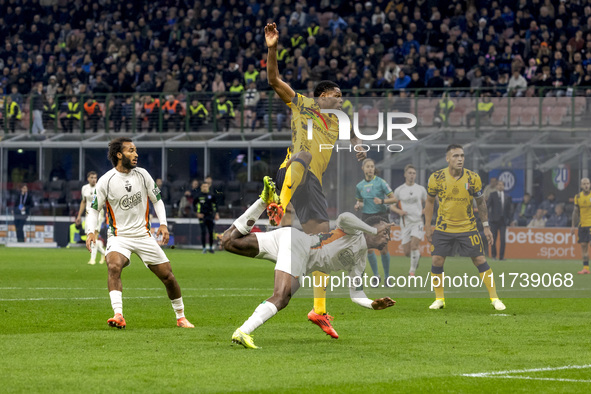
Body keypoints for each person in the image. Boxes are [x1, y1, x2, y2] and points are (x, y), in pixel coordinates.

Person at [264, 22, 365, 339]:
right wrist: (272, 48)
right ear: (322, 96)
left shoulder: (339, 122)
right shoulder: (302, 103)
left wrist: (359, 145)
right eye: (337, 96)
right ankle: (278, 205)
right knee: (304, 158)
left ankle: (319, 311)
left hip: (313, 187)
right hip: (292, 171)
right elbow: (273, 80)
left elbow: (352, 134)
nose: (341, 100)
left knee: (322, 244)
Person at [223, 177, 395, 349]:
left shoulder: (360, 262)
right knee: (281, 297)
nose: (387, 236)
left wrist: (372, 304)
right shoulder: (354, 232)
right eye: (385, 231)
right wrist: (372, 229)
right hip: (299, 247)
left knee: (229, 242)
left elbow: (357, 294)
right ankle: (243, 331)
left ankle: (263, 201)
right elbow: (344, 217)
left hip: (292, 243)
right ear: (372, 229)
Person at [85, 137, 194, 329]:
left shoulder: (143, 175)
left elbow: (157, 200)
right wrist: (91, 232)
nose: (136, 154)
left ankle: (181, 317)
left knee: (168, 276)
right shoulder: (106, 181)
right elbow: (94, 209)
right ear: (119, 155)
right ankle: (118, 315)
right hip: (119, 237)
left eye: (135, 151)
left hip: (144, 236)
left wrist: (163, 224)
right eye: (131, 151)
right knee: (113, 266)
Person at [424, 144, 505, 311]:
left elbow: (481, 202)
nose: (459, 159)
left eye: (462, 156)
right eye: (455, 156)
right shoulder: (436, 177)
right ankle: (439, 299)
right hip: (443, 227)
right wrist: (427, 226)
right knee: (437, 260)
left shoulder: (473, 178)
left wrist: (486, 226)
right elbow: (430, 202)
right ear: (448, 159)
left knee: (480, 260)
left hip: (467, 227)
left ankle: (495, 298)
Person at [354, 158, 394, 284]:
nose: (370, 169)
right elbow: (360, 201)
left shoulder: (381, 182)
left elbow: (394, 199)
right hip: (366, 217)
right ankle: (376, 276)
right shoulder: (359, 186)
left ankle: (387, 277)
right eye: (368, 166)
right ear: (363, 168)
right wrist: (358, 205)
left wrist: (382, 201)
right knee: (369, 249)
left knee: (383, 248)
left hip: (381, 216)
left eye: (372, 166)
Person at [392, 164, 427, 276]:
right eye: (410, 173)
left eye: (414, 173)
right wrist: (399, 212)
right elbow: (392, 205)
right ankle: (417, 256)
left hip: (417, 222)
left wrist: (425, 210)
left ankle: (412, 271)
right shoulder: (399, 190)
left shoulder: (420, 189)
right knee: (407, 252)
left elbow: (429, 203)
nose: (412, 175)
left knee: (414, 246)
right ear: (405, 174)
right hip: (405, 223)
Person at [75, 171, 106, 265]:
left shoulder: (99, 187)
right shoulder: (84, 188)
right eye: (92, 177)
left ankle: (92, 259)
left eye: (95, 178)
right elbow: (83, 202)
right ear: (88, 178)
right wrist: (79, 215)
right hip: (88, 214)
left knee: (94, 235)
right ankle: (104, 253)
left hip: (98, 214)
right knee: (89, 236)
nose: (94, 179)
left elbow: (104, 200)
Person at [487, 180, 513, 260]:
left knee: (503, 239)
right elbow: (488, 206)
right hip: (494, 221)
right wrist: (489, 217)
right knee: (493, 238)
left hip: (503, 221)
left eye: (502, 185)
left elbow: (509, 210)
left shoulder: (507, 196)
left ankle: (501, 257)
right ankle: (494, 255)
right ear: (496, 186)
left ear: (504, 186)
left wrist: (510, 220)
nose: (500, 186)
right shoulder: (492, 195)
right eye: (499, 185)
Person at [571, 178, 591, 274]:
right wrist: (572, 226)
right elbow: (575, 212)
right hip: (582, 225)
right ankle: (586, 268)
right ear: (581, 186)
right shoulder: (578, 197)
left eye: (587, 183)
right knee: (583, 246)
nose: (586, 185)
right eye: (584, 184)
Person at [194, 181, 219, 254]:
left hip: (210, 216)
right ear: (201, 187)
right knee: (203, 232)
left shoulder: (212, 195)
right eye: (203, 186)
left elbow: (215, 205)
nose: (205, 188)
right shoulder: (198, 196)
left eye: (206, 186)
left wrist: (217, 214)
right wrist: (197, 213)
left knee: (211, 232)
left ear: (208, 187)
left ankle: (211, 248)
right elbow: (193, 205)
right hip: (202, 216)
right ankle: (204, 248)